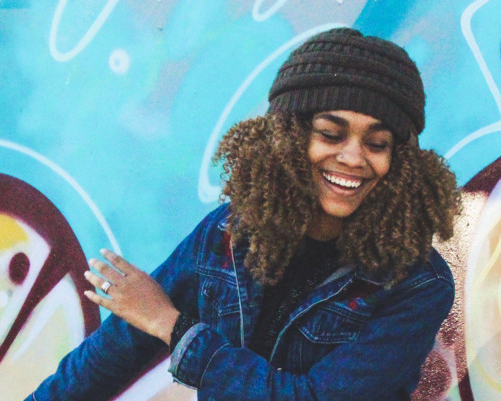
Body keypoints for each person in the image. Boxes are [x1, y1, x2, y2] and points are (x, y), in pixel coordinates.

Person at [27, 27, 460, 401]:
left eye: (378, 143)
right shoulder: (228, 234)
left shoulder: (418, 284)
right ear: (288, 136)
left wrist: (174, 329)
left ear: (400, 161)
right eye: (330, 133)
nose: (353, 157)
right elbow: (114, 351)